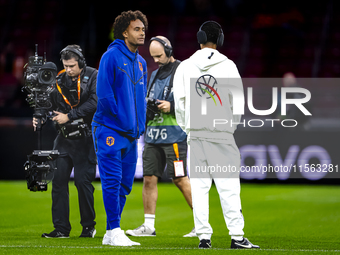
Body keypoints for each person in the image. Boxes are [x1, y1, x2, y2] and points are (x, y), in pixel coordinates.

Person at [173, 21, 260, 249]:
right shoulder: (228, 65)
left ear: (199, 37)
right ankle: (237, 237)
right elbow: (238, 102)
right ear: (219, 39)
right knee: (228, 187)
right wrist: (229, 127)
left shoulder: (185, 67)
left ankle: (203, 238)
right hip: (221, 132)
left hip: (196, 135)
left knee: (200, 188)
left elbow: (179, 103)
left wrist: (188, 128)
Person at [125, 36, 195, 238]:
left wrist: (172, 106)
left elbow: (197, 102)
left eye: (159, 56)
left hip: (174, 138)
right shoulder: (153, 74)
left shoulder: (184, 71)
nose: (156, 60)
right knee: (148, 179)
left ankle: (202, 223)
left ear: (169, 50)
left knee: (180, 179)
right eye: (153, 56)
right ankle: (148, 226)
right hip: (153, 138)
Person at [92, 10, 148, 247]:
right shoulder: (111, 56)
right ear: (125, 32)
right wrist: (121, 119)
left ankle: (110, 232)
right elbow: (104, 94)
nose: (142, 32)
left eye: (144, 29)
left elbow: (140, 98)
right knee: (112, 180)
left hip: (131, 134)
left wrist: (138, 125)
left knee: (125, 183)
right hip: (110, 130)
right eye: (137, 29)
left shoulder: (142, 62)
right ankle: (115, 229)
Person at [33, 44, 98, 238]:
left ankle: (88, 227)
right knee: (59, 183)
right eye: (65, 65)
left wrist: (69, 116)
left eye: (72, 66)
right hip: (63, 139)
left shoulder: (94, 75)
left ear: (81, 63)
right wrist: (40, 117)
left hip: (85, 140)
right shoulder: (59, 79)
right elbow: (48, 103)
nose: (68, 70)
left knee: (82, 183)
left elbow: (95, 102)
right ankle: (61, 229)